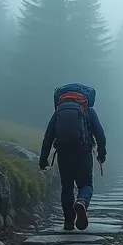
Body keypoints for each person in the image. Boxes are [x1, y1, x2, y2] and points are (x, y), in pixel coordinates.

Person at [39, 83, 107, 230]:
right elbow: (100, 134)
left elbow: (48, 136)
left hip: (64, 153)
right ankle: (81, 202)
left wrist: (43, 158)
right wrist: (102, 154)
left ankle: (69, 222)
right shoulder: (88, 110)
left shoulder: (58, 111)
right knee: (86, 184)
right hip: (83, 152)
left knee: (67, 187)